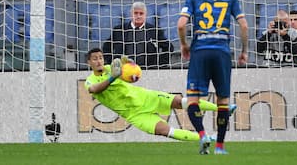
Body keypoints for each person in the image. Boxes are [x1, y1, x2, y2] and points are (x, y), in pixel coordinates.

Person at [177, 0, 248, 155]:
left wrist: (184, 45)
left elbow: (181, 24)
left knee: (193, 98)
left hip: (200, 51)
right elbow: (244, 26)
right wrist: (244, 50)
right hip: (222, 52)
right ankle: (220, 147)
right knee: (223, 100)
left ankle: (202, 135)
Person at [84, 48, 220, 142]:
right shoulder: (90, 80)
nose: (99, 61)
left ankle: (221, 108)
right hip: (134, 114)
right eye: (95, 59)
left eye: (100, 58)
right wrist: (112, 78)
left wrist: (131, 65)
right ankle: (204, 138)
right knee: (165, 130)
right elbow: (95, 89)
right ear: (89, 62)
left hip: (146, 97)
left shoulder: (111, 68)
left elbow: (132, 72)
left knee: (180, 101)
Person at [102, 2, 174, 69]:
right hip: (124, 71)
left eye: (141, 13)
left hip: (148, 72)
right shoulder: (119, 30)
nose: (138, 16)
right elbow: (106, 47)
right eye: (135, 13)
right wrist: (113, 63)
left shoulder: (154, 30)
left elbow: (169, 47)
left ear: (145, 15)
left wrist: (160, 64)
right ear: (131, 14)